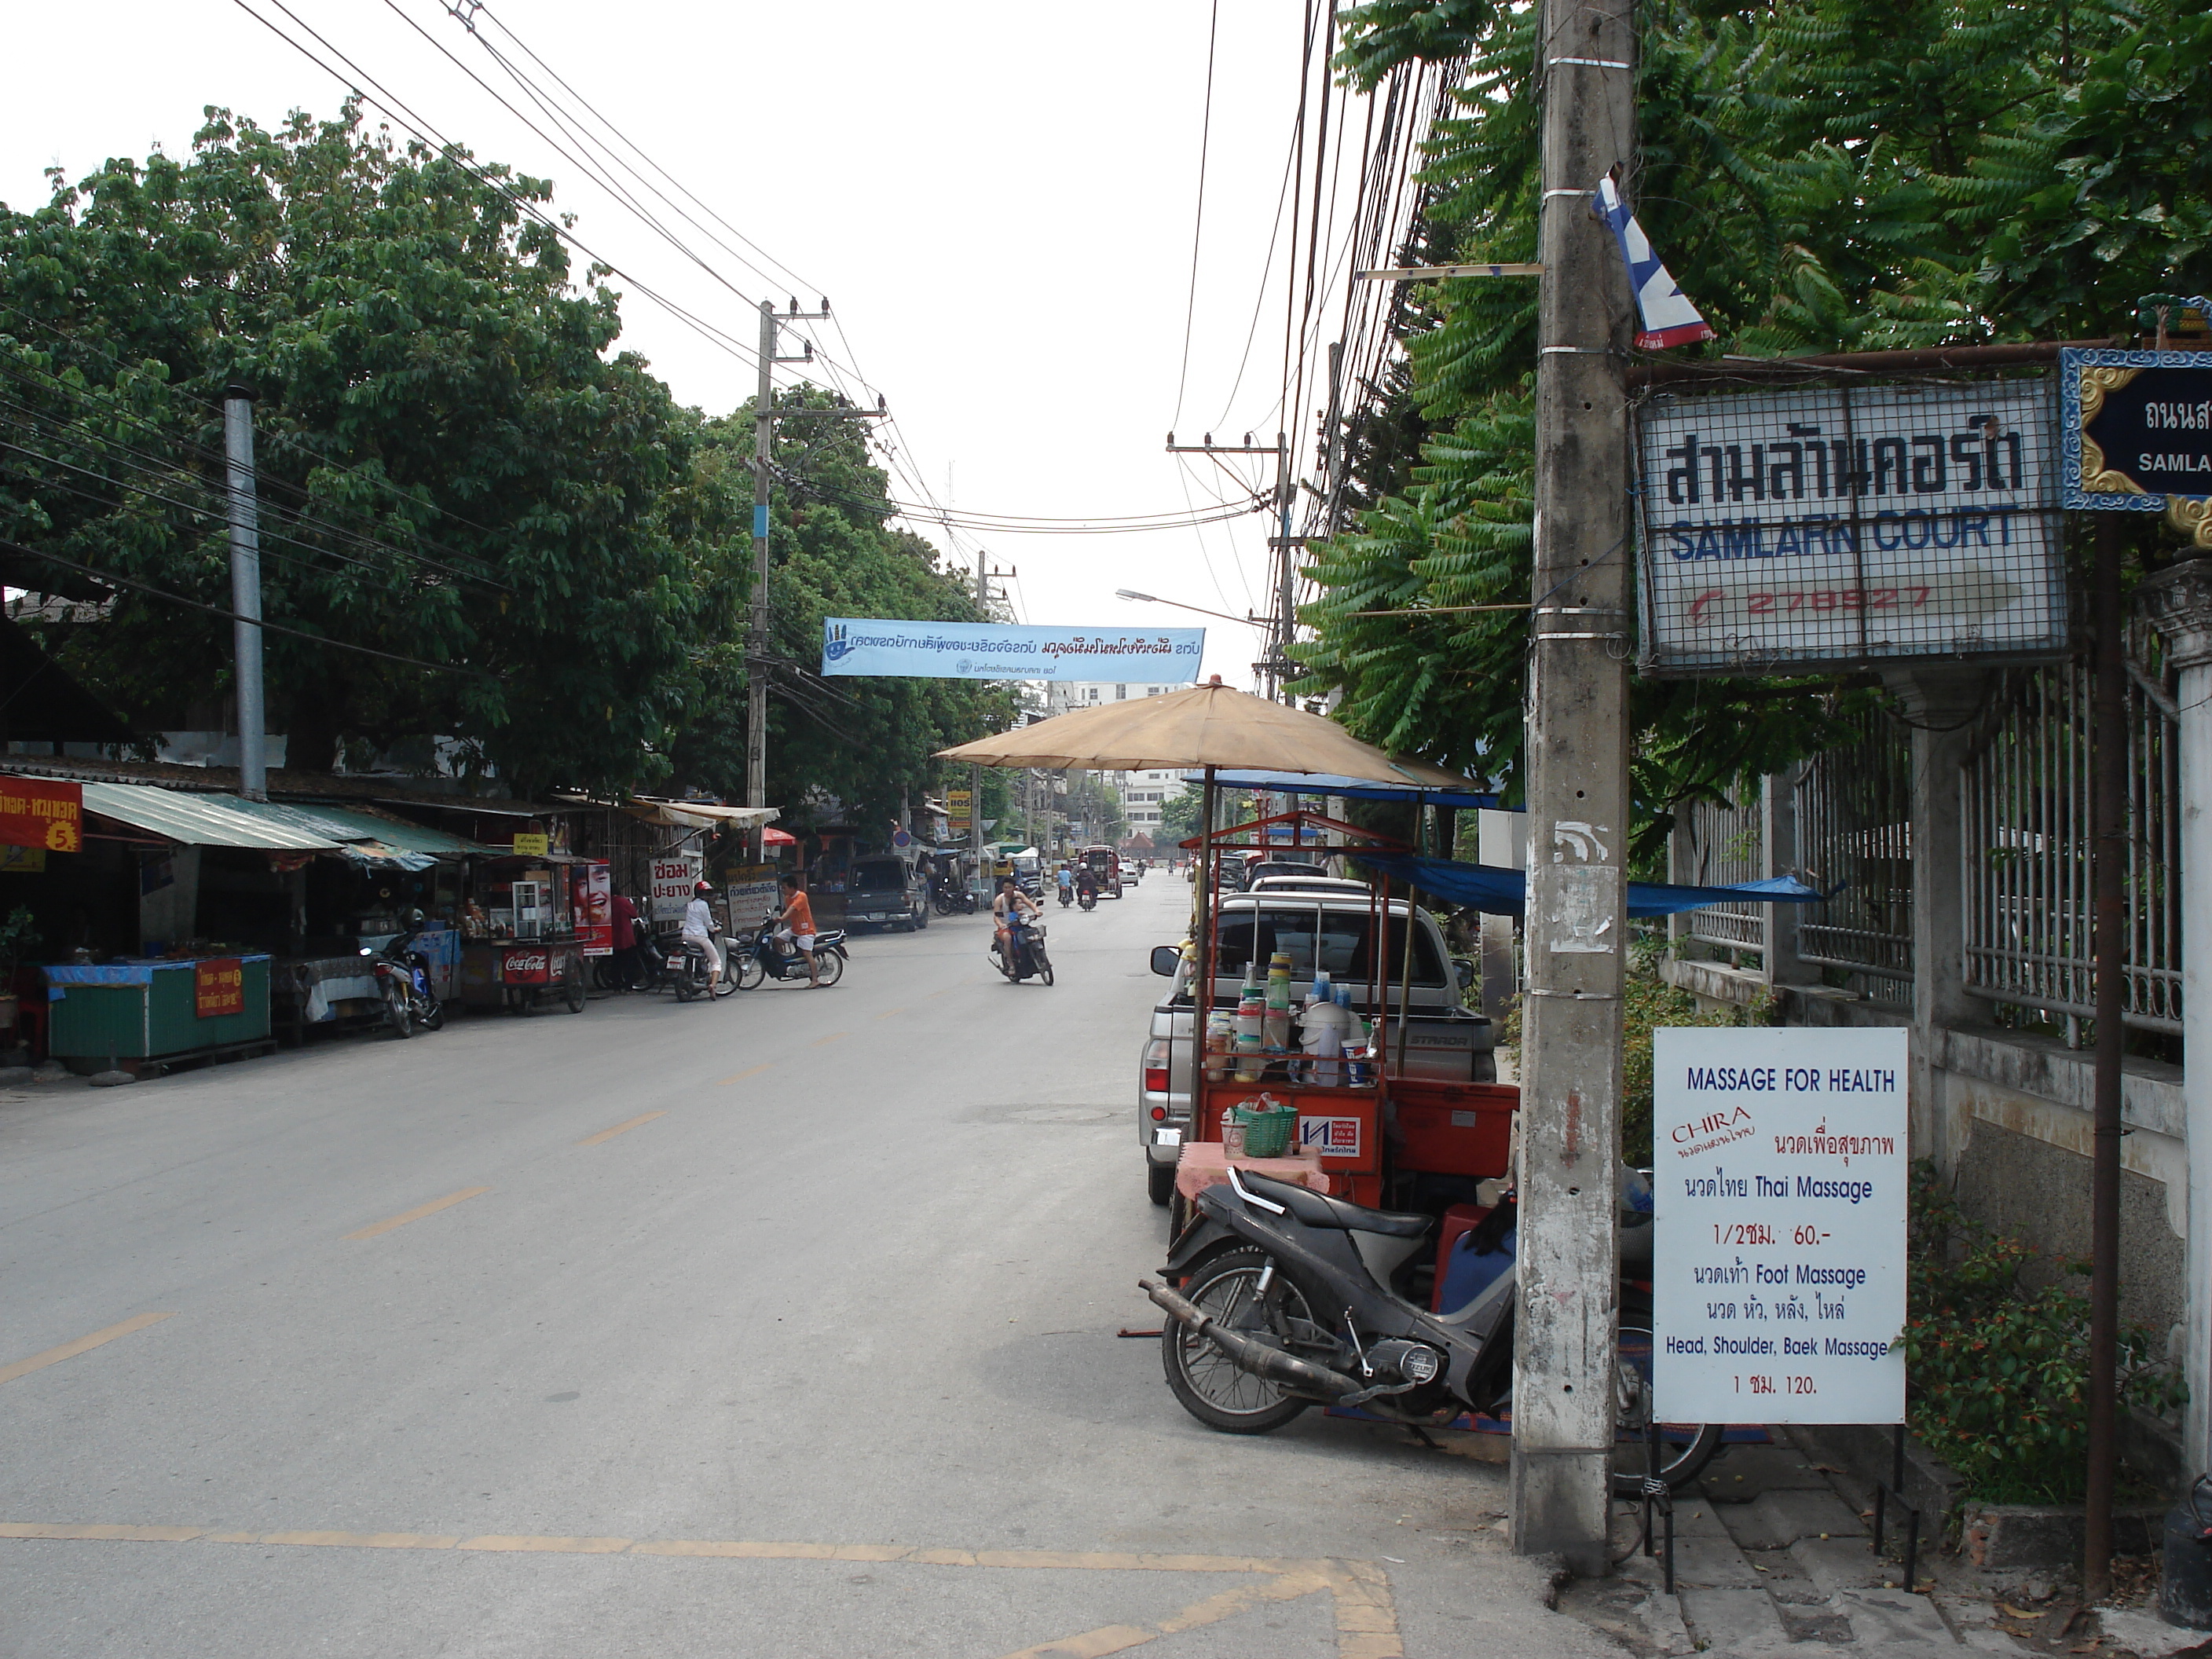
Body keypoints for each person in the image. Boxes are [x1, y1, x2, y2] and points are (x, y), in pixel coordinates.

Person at [777, 872, 824, 987]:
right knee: (777, 940)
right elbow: (787, 910)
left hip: (806, 930)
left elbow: (792, 909)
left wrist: (782, 918)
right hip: (794, 929)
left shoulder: (801, 896)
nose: (783, 890)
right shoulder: (787, 898)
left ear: (792, 887)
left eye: (784, 888)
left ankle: (815, 979)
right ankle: (787, 961)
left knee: (807, 953)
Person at [682, 880, 723, 992]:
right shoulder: (704, 905)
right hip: (699, 937)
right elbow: (708, 923)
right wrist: (715, 929)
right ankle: (713, 986)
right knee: (716, 962)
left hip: (685, 936)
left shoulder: (690, 904)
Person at [993, 874, 1042, 965]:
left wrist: (1036, 911)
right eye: (1005, 887)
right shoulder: (999, 899)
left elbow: (1030, 904)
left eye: (1009, 887)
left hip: (1020, 924)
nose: (1007, 890)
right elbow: (996, 917)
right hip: (1006, 927)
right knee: (1008, 938)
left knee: (1035, 934)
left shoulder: (1019, 895)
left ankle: (1041, 958)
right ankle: (1011, 964)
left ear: (1014, 888)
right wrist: (1001, 925)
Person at [610, 890, 644, 988]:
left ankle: (616, 987)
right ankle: (628, 987)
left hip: (612, 937)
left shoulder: (607, 903)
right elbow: (634, 914)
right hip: (626, 937)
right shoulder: (623, 902)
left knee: (616, 963)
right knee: (629, 963)